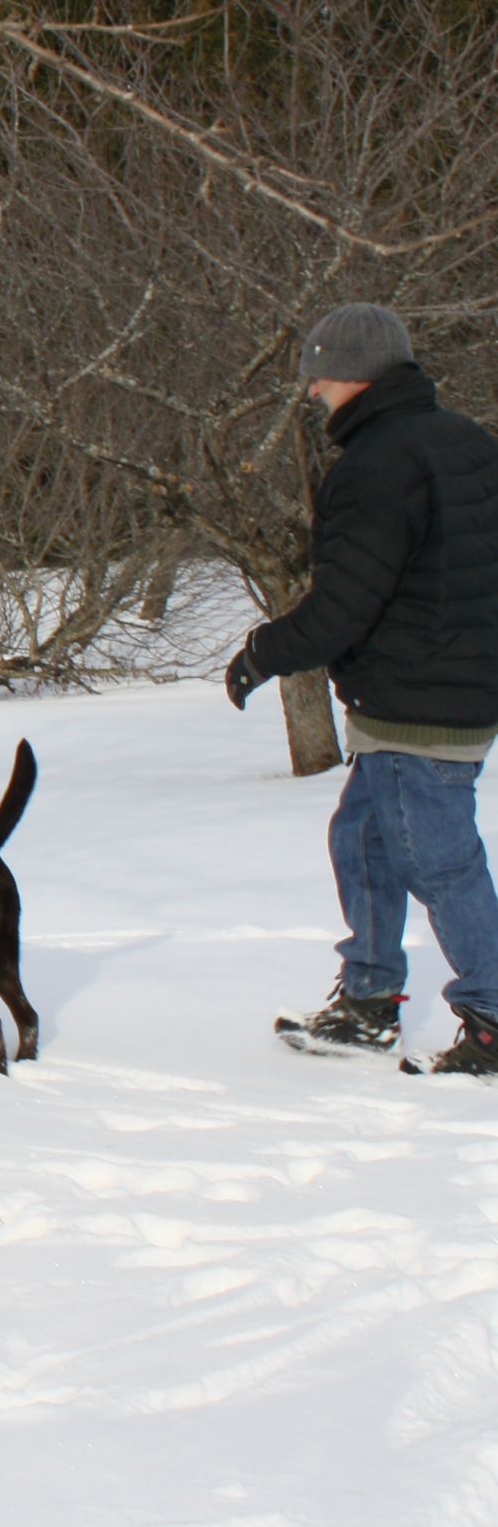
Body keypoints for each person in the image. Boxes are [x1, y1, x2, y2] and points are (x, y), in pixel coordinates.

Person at [227, 303, 498, 1076]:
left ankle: (493, 1018)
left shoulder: (379, 464)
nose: (312, 394)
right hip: (432, 688)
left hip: (424, 700)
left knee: (438, 860)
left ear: (350, 376)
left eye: (317, 377)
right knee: (366, 841)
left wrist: (262, 653)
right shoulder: (466, 440)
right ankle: (372, 1000)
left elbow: (346, 604)